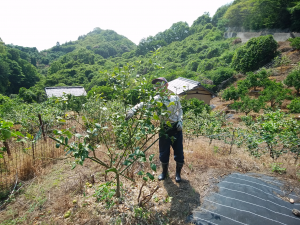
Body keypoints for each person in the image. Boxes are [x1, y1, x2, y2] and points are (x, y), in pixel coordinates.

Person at [125, 77, 184, 183]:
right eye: (156, 85)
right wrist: (133, 109)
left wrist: (180, 121)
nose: (158, 87)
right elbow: (144, 104)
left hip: (176, 128)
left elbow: (180, 111)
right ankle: (164, 172)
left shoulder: (175, 98)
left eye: (160, 84)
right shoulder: (156, 99)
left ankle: (178, 174)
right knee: (163, 152)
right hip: (163, 129)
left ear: (166, 85)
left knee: (179, 152)